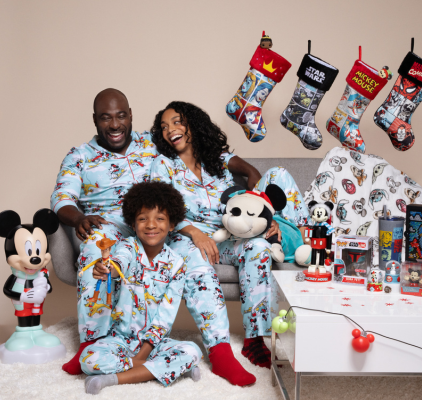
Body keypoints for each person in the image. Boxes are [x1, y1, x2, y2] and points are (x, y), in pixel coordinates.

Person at [51, 89, 252, 385]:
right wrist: (79, 217)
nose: (115, 124)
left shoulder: (152, 143)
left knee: (195, 254)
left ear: (131, 115)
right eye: (106, 118)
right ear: (95, 121)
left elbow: (202, 148)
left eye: (121, 116)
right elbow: (61, 199)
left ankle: (220, 352)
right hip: (109, 225)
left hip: (159, 227)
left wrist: (247, 169)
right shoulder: (80, 156)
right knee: (96, 248)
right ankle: (90, 345)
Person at [150, 101, 310, 368]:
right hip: (188, 237)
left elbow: (252, 176)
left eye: (177, 121)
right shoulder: (163, 165)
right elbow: (161, 209)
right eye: (164, 127)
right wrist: (195, 233)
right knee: (242, 245)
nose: (171, 130)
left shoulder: (218, 159)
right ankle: (222, 346)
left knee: (259, 245)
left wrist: (267, 217)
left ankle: (255, 339)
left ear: (193, 123)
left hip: (231, 234)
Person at [81, 182, 201, 394]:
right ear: (134, 224)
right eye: (143, 218)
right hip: (119, 340)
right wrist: (109, 270)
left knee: (192, 351)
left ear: (172, 224)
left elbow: (166, 315)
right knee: (89, 359)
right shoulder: (127, 247)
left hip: (155, 345)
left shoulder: (177, 265)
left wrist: (142, 355)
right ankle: (172, 370)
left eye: (160, 218)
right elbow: (119, 263)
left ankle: (113, 380)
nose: (151, 225)